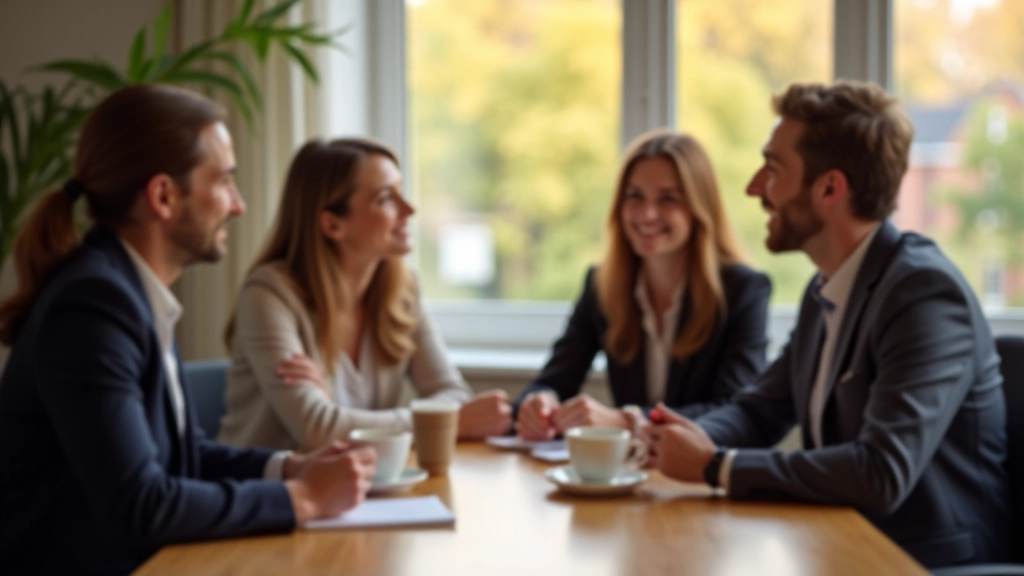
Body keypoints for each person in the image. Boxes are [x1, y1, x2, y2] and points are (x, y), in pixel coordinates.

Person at [0, 84, 376, 575]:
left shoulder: (130, 291)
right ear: (163, 196)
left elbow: (182, 454)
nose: (237, 205)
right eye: (223, 181)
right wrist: (301, 498)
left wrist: (290, 467)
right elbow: (144, 507)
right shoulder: (94, 307)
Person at [647, 81, 1014, 568]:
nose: (755, 186)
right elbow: (759, 412)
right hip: (843, 545)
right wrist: (668, 435)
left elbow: (880, 472)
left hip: (925, 564)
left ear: (829, 188)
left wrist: (717, 466)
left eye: (773, 169)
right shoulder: (828, 289)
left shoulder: (923, 294)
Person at [217, 137, 512, 452]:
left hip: (358, 488)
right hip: (267, 491)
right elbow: (318, 428)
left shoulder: (404, 289)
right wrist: (443, 421)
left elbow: (453, 394)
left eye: (402, 193)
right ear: (332, 224)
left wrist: (343, 419)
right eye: (386, 199)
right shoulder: (268, 295)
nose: (409, 210)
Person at [516, 129, 771, 440]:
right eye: (635, 196)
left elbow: (733, 412)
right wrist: (540, 404)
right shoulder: (602, 285)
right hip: (632, 477)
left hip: (705, 479)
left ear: (698, 208)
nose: (647, 215)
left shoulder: (743, 291)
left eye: (668, 199)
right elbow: (555, 380)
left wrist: (630, 422)